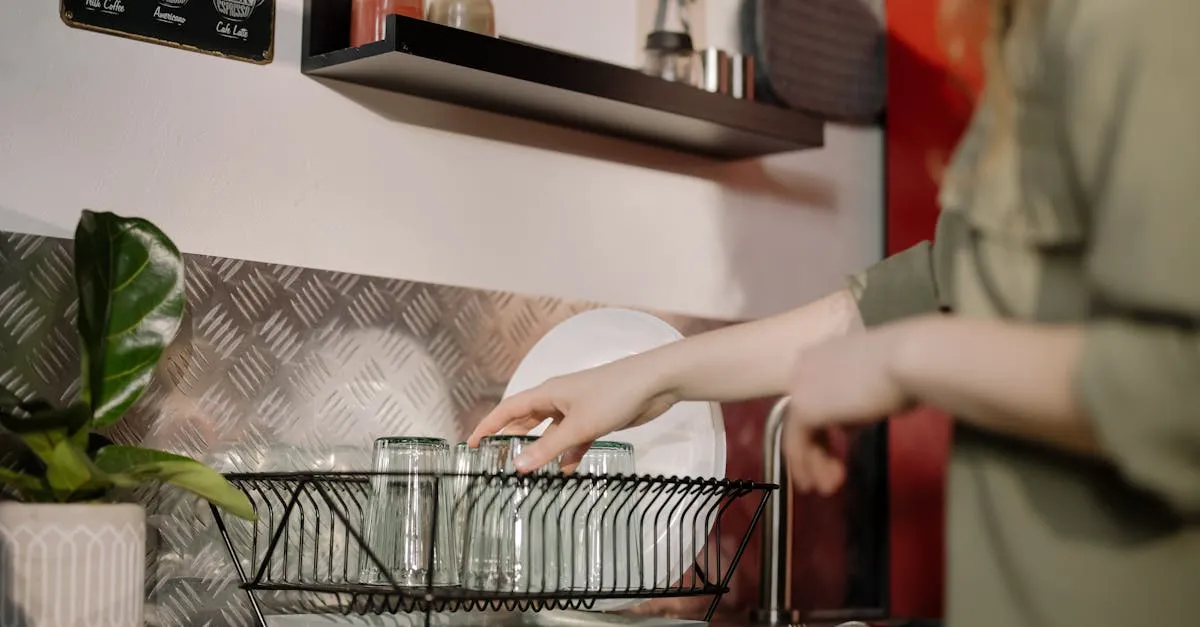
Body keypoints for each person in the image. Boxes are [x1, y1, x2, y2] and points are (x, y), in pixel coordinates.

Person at [470, 0, 1200, 625]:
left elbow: (1180, 382)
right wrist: (646, 378)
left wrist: (908, 360)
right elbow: (898, 299)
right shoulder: (1035, 35)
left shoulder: (1134, 19)